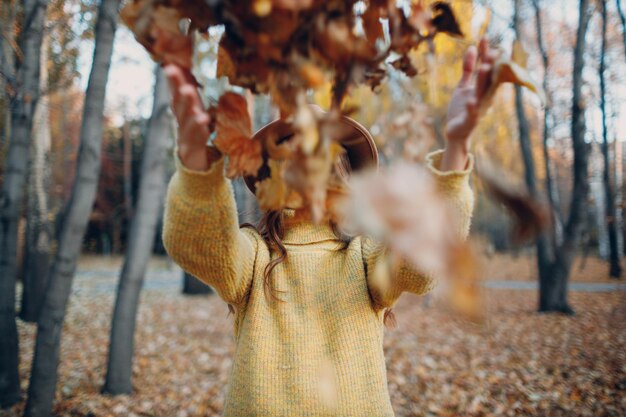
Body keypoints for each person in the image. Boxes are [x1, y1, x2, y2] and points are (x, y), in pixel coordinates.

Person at [162, 39, 497, 417]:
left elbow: (422, 264)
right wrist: (193, 153)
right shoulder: (254, 258)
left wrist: (456, 145)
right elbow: (200, 244)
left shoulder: (366, 256)